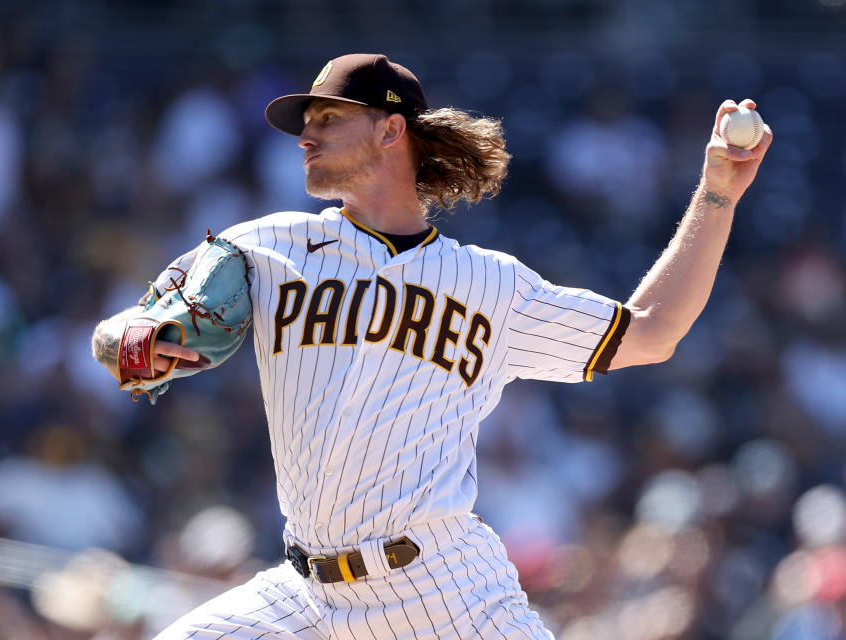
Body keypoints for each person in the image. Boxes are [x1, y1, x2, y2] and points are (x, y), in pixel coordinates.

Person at [91, 53, 771, 639]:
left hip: (443, 590)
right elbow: (121, 332)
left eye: (329, 118)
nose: (306, 134)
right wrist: (132, 346)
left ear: (391, 130)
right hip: (307, 595)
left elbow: (650, 331)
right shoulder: (264, 247)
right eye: (307, 121)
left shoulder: (490, 285)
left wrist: (716, 195)